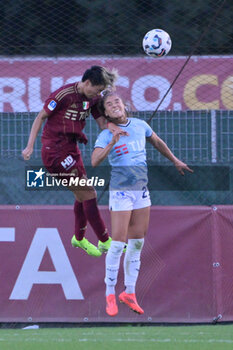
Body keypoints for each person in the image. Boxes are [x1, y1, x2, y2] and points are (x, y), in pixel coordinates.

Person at [91, 91, 193, 316]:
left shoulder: (139, 125)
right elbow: (95, 160)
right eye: (109, 104)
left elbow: (156, 140)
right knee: (117, 244)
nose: (114, 104)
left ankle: (129, 292)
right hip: (121, 192)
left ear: (124, 105)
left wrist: (175, 160)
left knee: (137, 244)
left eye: (117, 101)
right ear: (106, 112)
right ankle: (109, 293)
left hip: (141, 191)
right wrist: (112, 142)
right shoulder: (107, 134)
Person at [22, 66, 128, 257]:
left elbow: (103, 124)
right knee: (88, 193)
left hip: (72, 149)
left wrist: (117, 127)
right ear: (87, 82)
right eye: (96, 89)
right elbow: (40, 117)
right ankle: (105, 242)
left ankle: (78, 239)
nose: (97, 94)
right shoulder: (63, 95)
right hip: (54, 152)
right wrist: (30, 146)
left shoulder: (93, 98)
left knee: (81, 195)